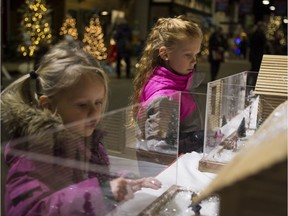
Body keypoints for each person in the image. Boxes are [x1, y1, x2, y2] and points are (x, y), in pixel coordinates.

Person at [1, 41, 162, 216]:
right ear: (47, 106)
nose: (95, 113)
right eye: (82, 105)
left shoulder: (86, 138)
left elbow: (92, 179)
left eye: (98, 102)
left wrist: (123, 180)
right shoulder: (33, 153)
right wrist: (102, 193)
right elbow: (27, 210)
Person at [130, 16, 204, 155]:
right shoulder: (165, 98)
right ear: (165, 54)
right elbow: (158, 148)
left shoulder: (178, 83)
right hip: (170, 171)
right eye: (187, 55)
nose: (194, 60)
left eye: (196, 54)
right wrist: (198, 139)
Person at [248, 22, 267, 86]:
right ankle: (253, 82)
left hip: (255, 54)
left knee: (254, 68)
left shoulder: (255, 34)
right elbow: (262, 44)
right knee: (255, 69)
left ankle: (251, 81)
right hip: (257, 54)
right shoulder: (259, 34)